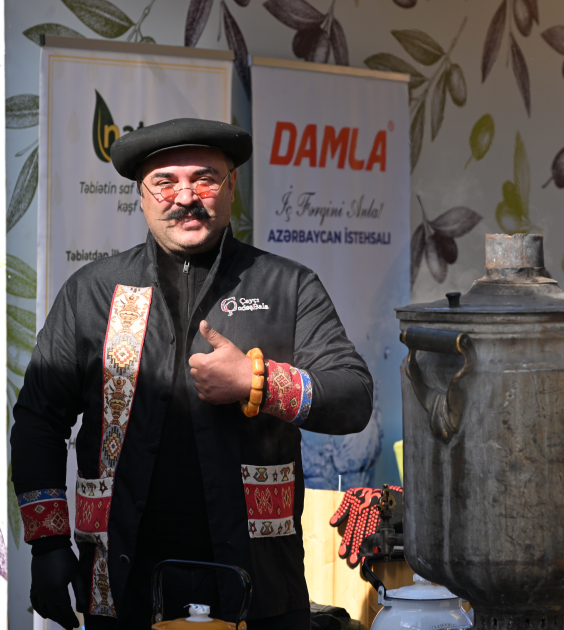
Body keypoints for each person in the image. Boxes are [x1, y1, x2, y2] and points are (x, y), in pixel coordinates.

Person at [11, 118, 374, 629]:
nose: (186, 196)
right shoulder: (93, 291)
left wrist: (259, 383)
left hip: (260, 585)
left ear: (231, 190)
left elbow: (354, 397)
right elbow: (37, 421)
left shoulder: (286, 285)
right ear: (141, 196)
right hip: (119, 586)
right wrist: (47, 544)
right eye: (165, 182)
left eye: (205, 179)